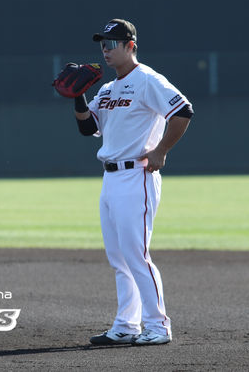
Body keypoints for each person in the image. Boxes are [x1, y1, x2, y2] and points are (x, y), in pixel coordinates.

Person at [71, 19, 193, 346]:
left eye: (112, 44)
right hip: (111, 179)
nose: (106, 50)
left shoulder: (147, 80)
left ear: (130, 46)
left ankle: (158, 326)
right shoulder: (108, 89)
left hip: (136, 176)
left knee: (136, 254)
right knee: (119, 257)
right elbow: (88, 128)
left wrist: (161, 150)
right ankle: (127, 325)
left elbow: (183, 111)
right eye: (103, 45)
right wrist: (79, 96)